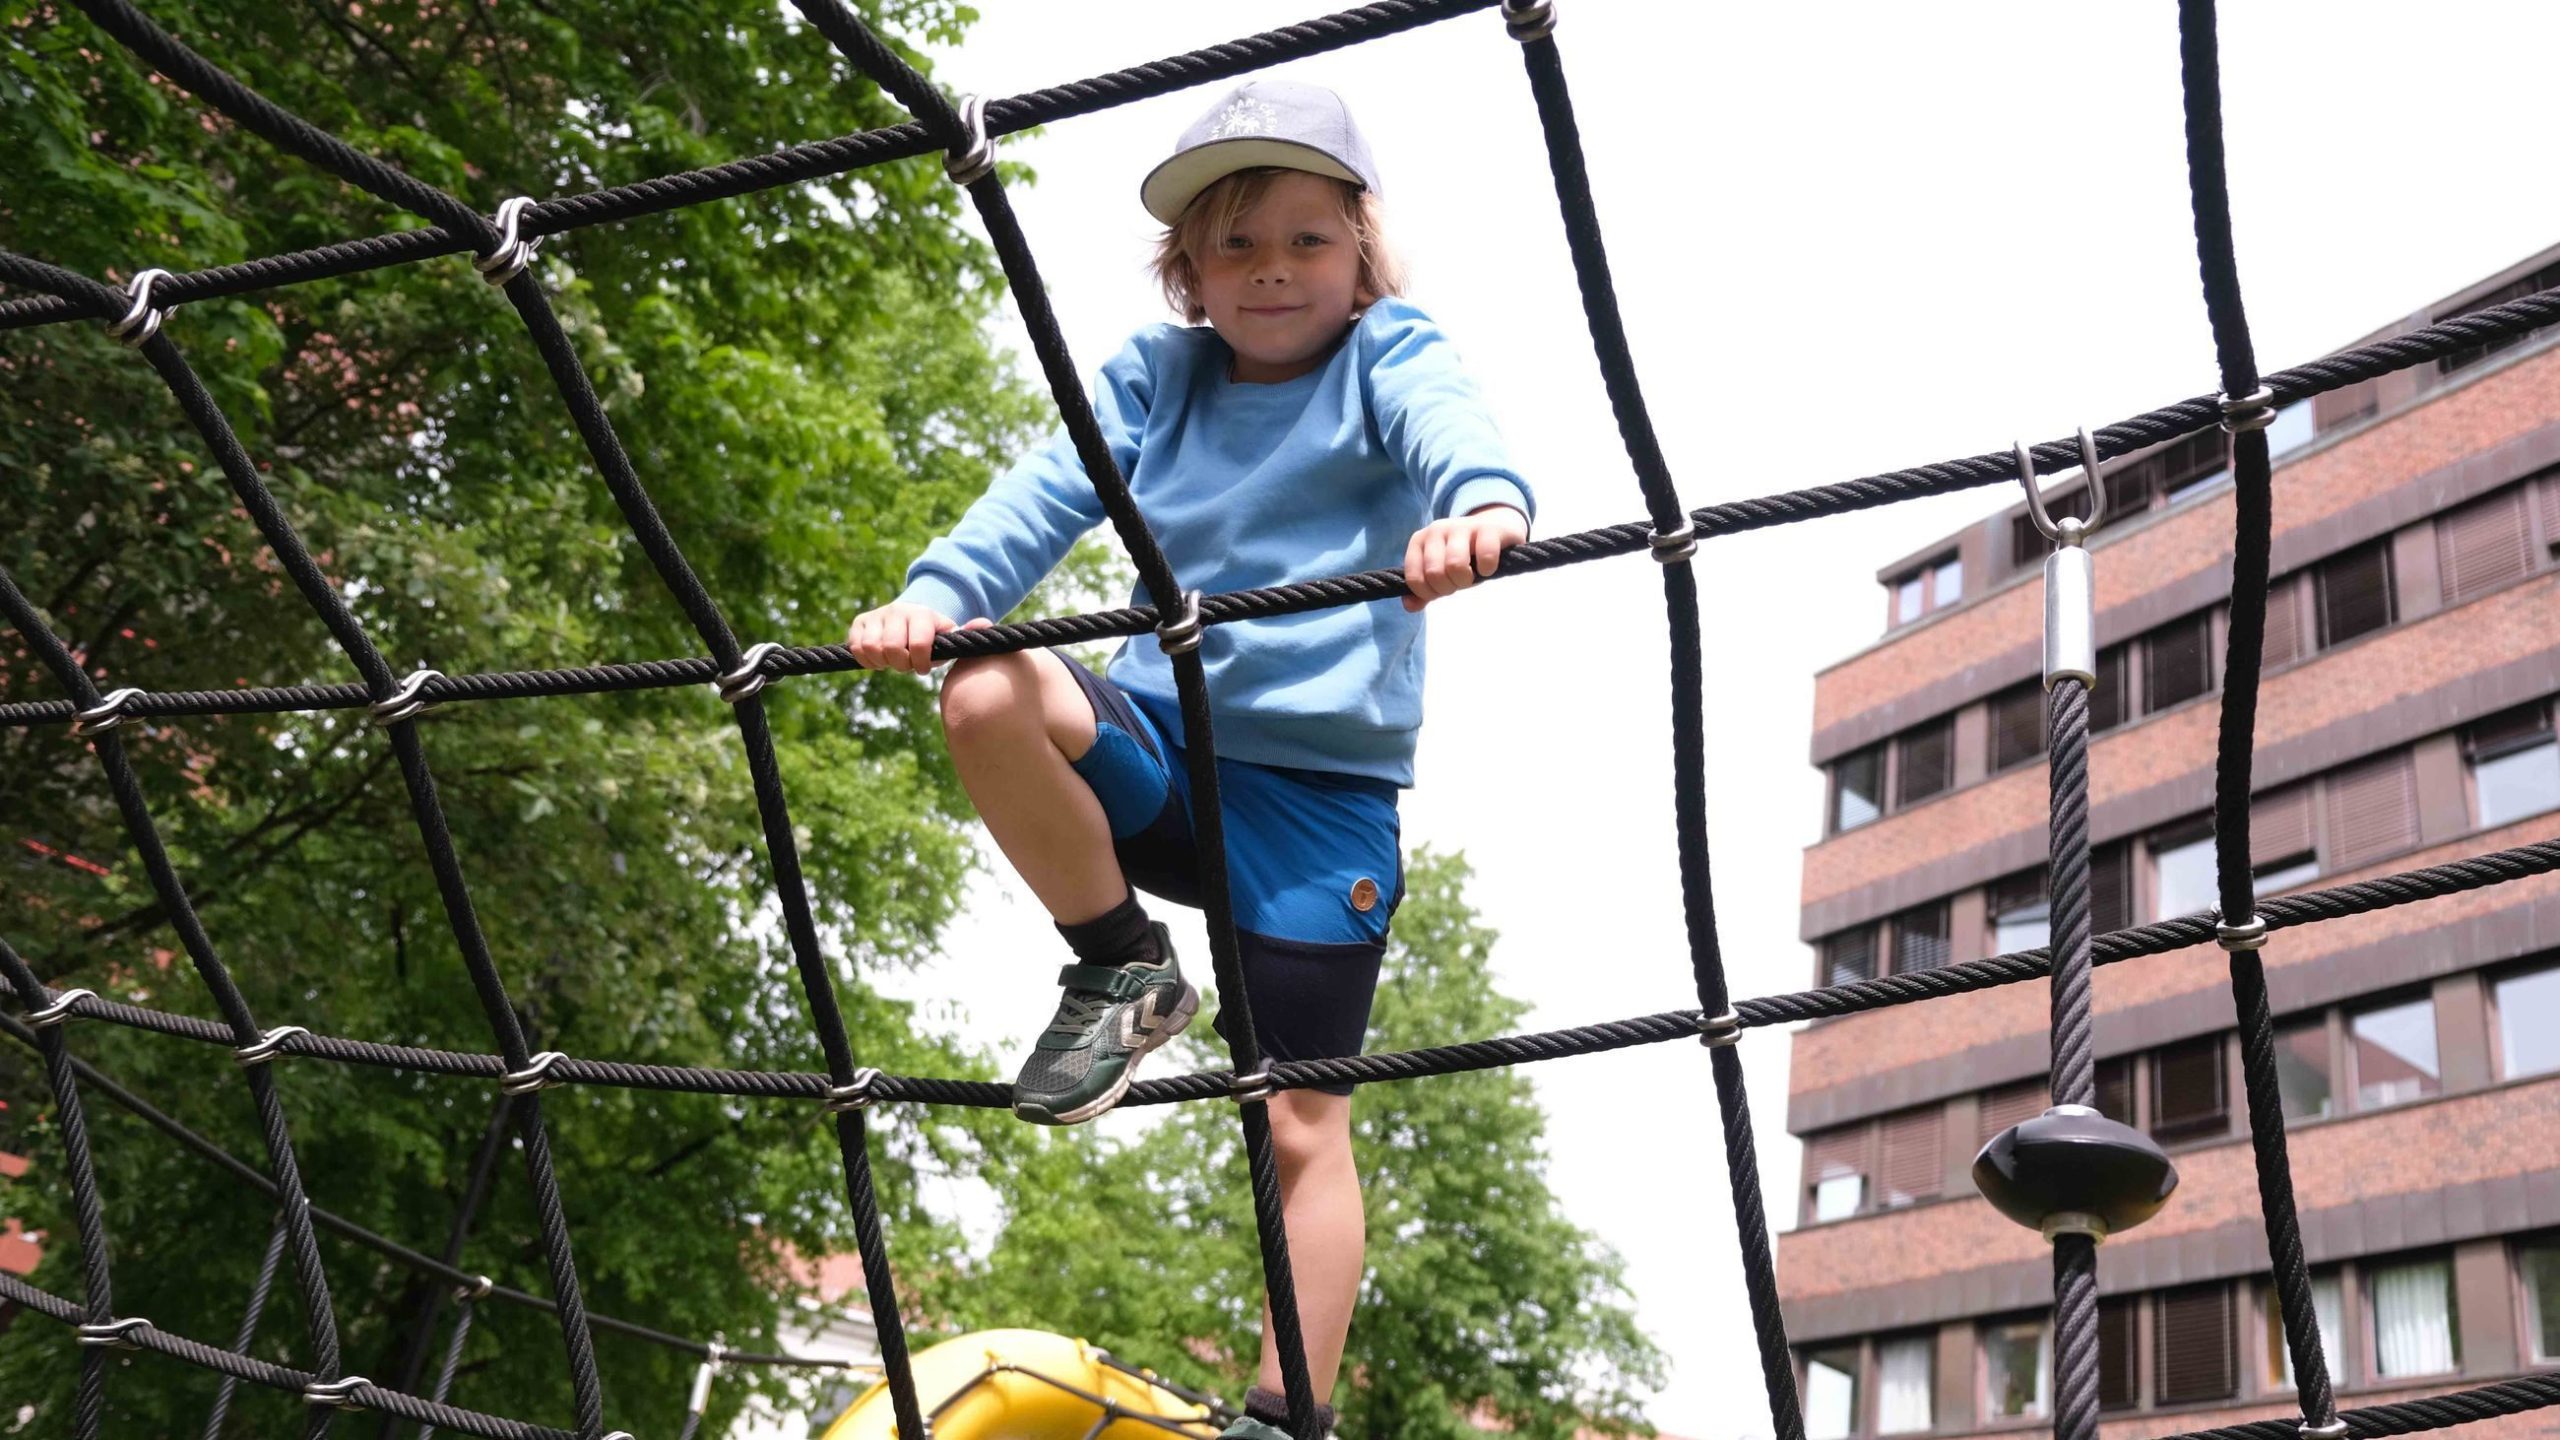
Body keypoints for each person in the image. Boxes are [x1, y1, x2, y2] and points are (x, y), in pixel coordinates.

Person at [846, 79, 1532, 1439]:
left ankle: (1286, 1416)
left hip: (1319, 804)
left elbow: (1455, 433)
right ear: (1189, 274)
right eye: (1234, 245)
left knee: (1297, 1126)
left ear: (1362, 255)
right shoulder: (1159, 378)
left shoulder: (1387, 353)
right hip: (1166, 747)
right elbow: (1044, 487)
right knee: (984, 685)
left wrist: (1480, 510)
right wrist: (932, 589)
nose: (1272, 269)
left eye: (1306, 240)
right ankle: (1121, 963)